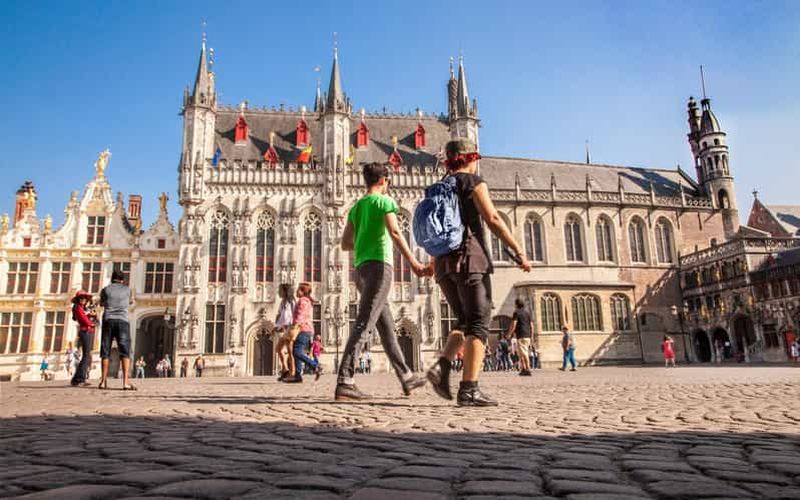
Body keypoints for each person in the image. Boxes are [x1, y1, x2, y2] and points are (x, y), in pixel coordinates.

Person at [425, 139, 532, 406]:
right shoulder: (472, 182)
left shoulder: (436, 188)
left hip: (442, 265)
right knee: (479, 323)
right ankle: (469, 389)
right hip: (469, 259)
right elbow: (493, 218)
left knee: (463, 321)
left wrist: (432, 263)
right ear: (469, 158)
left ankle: (441, 368)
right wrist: (518, 250)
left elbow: (432, 228)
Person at [337, 162, 429, 400]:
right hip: (380, 267)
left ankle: (406, 376)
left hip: (360, 270)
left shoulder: (357, 207)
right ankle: (345, 379)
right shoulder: (386, 202)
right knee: (364, 322)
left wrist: (364, 238)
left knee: (386, 327)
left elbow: (345, 243)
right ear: (384, 180)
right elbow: (396, 233)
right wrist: (414, 264)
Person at [98, 270, 135, 390]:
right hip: (122, 321)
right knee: (125, 351)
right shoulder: (128, 290)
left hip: (108, 319)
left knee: (105, 351)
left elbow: (102, 303)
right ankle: (125, 382)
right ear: (122, 280)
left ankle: (103, 381)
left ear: (112, 279)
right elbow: (130, 302)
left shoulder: (105, 290)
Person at [283, 283, 323, 383]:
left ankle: (315, 365)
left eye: (298, 290)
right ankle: (297, 376)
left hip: (303, 329)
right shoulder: (306, 301)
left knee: (297, 351)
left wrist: (294, 326)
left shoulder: (303, 301)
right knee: (296, 352)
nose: (296, 291)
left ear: (302, 291)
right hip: (305, 329)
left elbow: (301, 315)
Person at [70, 290, 95, 387]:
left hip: (85, 331)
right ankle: (80, 379)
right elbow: (84, 320)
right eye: (81, 298)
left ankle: (77, 379)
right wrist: (91, 323)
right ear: (78, 299)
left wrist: (89, 314)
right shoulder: (78, 308)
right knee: (86, 356)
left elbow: (83, 317)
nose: (83, 300)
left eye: (84, 298)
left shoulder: (79, 308)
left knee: (86, 355)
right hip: (85, 331)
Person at [274, 284, 298, 381]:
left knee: (290, 351)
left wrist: (284, 326)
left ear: (285, 291)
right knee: (279, 349)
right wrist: (277, 326)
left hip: (290, 328)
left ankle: (292, 373)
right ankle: (285, 369)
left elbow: (290, 316)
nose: (278, 292)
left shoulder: (291, 302)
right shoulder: (282, 302)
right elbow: (280, 316)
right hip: (285, 329)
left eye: (280, 290)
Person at [507, 298, 534, 376]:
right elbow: (532, 325)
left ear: (516, 304)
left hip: (521, 335)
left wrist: (509, 333)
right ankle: (523, 369)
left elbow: (514, 324)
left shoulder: (516, 313)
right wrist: (531, 336)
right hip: (527, 335)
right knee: (521, 353)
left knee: (524, 352)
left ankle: (528, 368)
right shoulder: (528, 313)